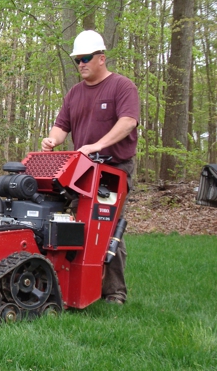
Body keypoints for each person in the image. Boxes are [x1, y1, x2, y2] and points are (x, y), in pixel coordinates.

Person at [41, 30, 140, 305]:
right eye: (77, 60)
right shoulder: (74, 93)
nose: (81, 64)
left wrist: (97, 145)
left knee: (105, 228)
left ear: (101, 58)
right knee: (73, 225)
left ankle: (114, 294)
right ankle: (72, 288)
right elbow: (62, 127)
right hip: (81, 171)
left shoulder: (122, 87)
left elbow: (128, 122)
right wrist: (53, 139)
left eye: (86, 58)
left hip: (113, 171)